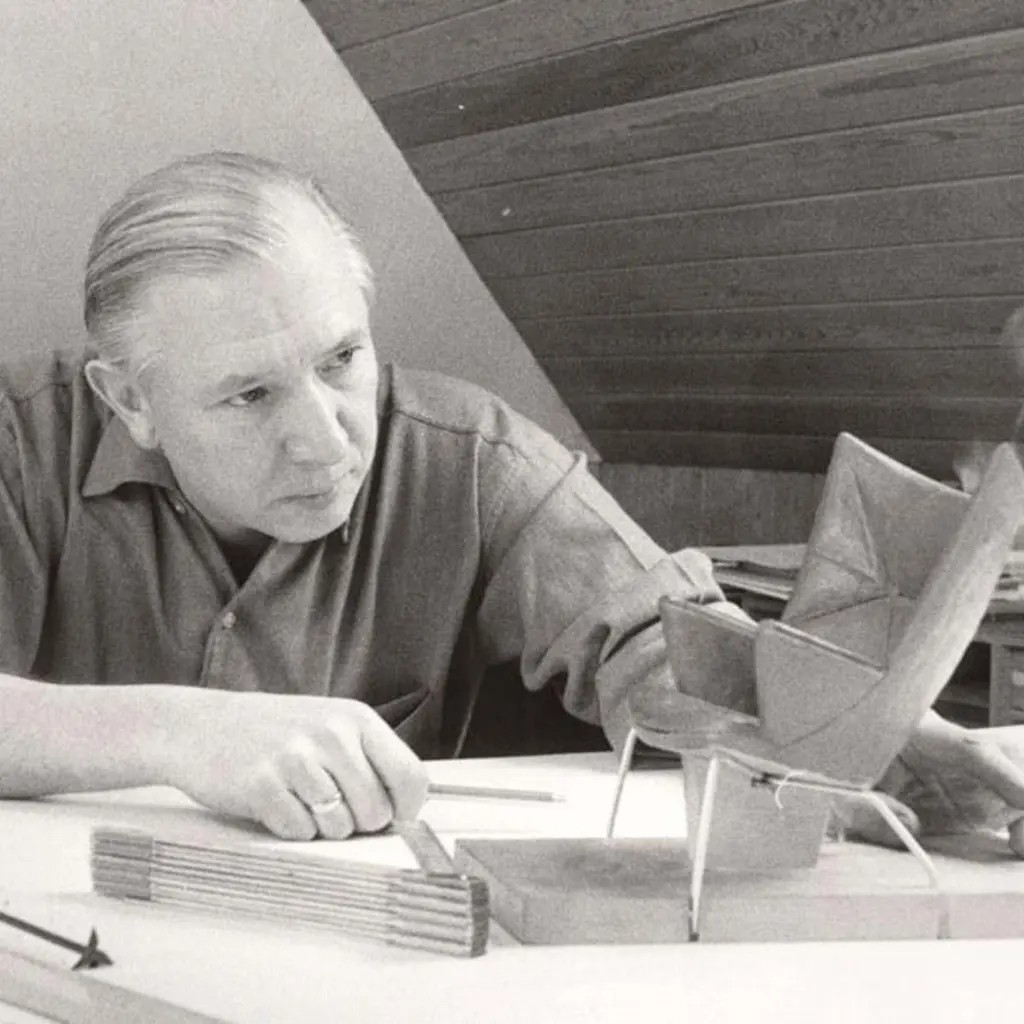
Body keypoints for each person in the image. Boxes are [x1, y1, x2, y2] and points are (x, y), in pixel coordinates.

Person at [0, 152, 1022, 852]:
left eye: (342, 358)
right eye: (249, 395)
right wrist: (184, 733)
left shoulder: (473, 458)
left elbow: (660, 638)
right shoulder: (17, 443)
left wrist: (843, 725)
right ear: (128, 400)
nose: (326, 438)